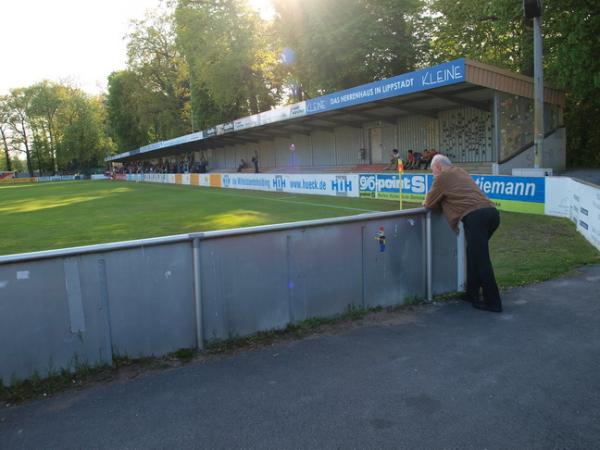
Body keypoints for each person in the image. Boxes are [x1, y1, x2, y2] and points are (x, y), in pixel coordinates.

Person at [423, 154, 502, 313]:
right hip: (492, 214)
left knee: (481, 260)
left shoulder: (442, 177)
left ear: (438, 167)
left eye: (433, 172)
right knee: (472, 254)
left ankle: (493, 302)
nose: (433, 175)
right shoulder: (460, 171)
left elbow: (429, 203)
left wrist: (427, 200)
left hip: (476, 217)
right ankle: (472, 294)